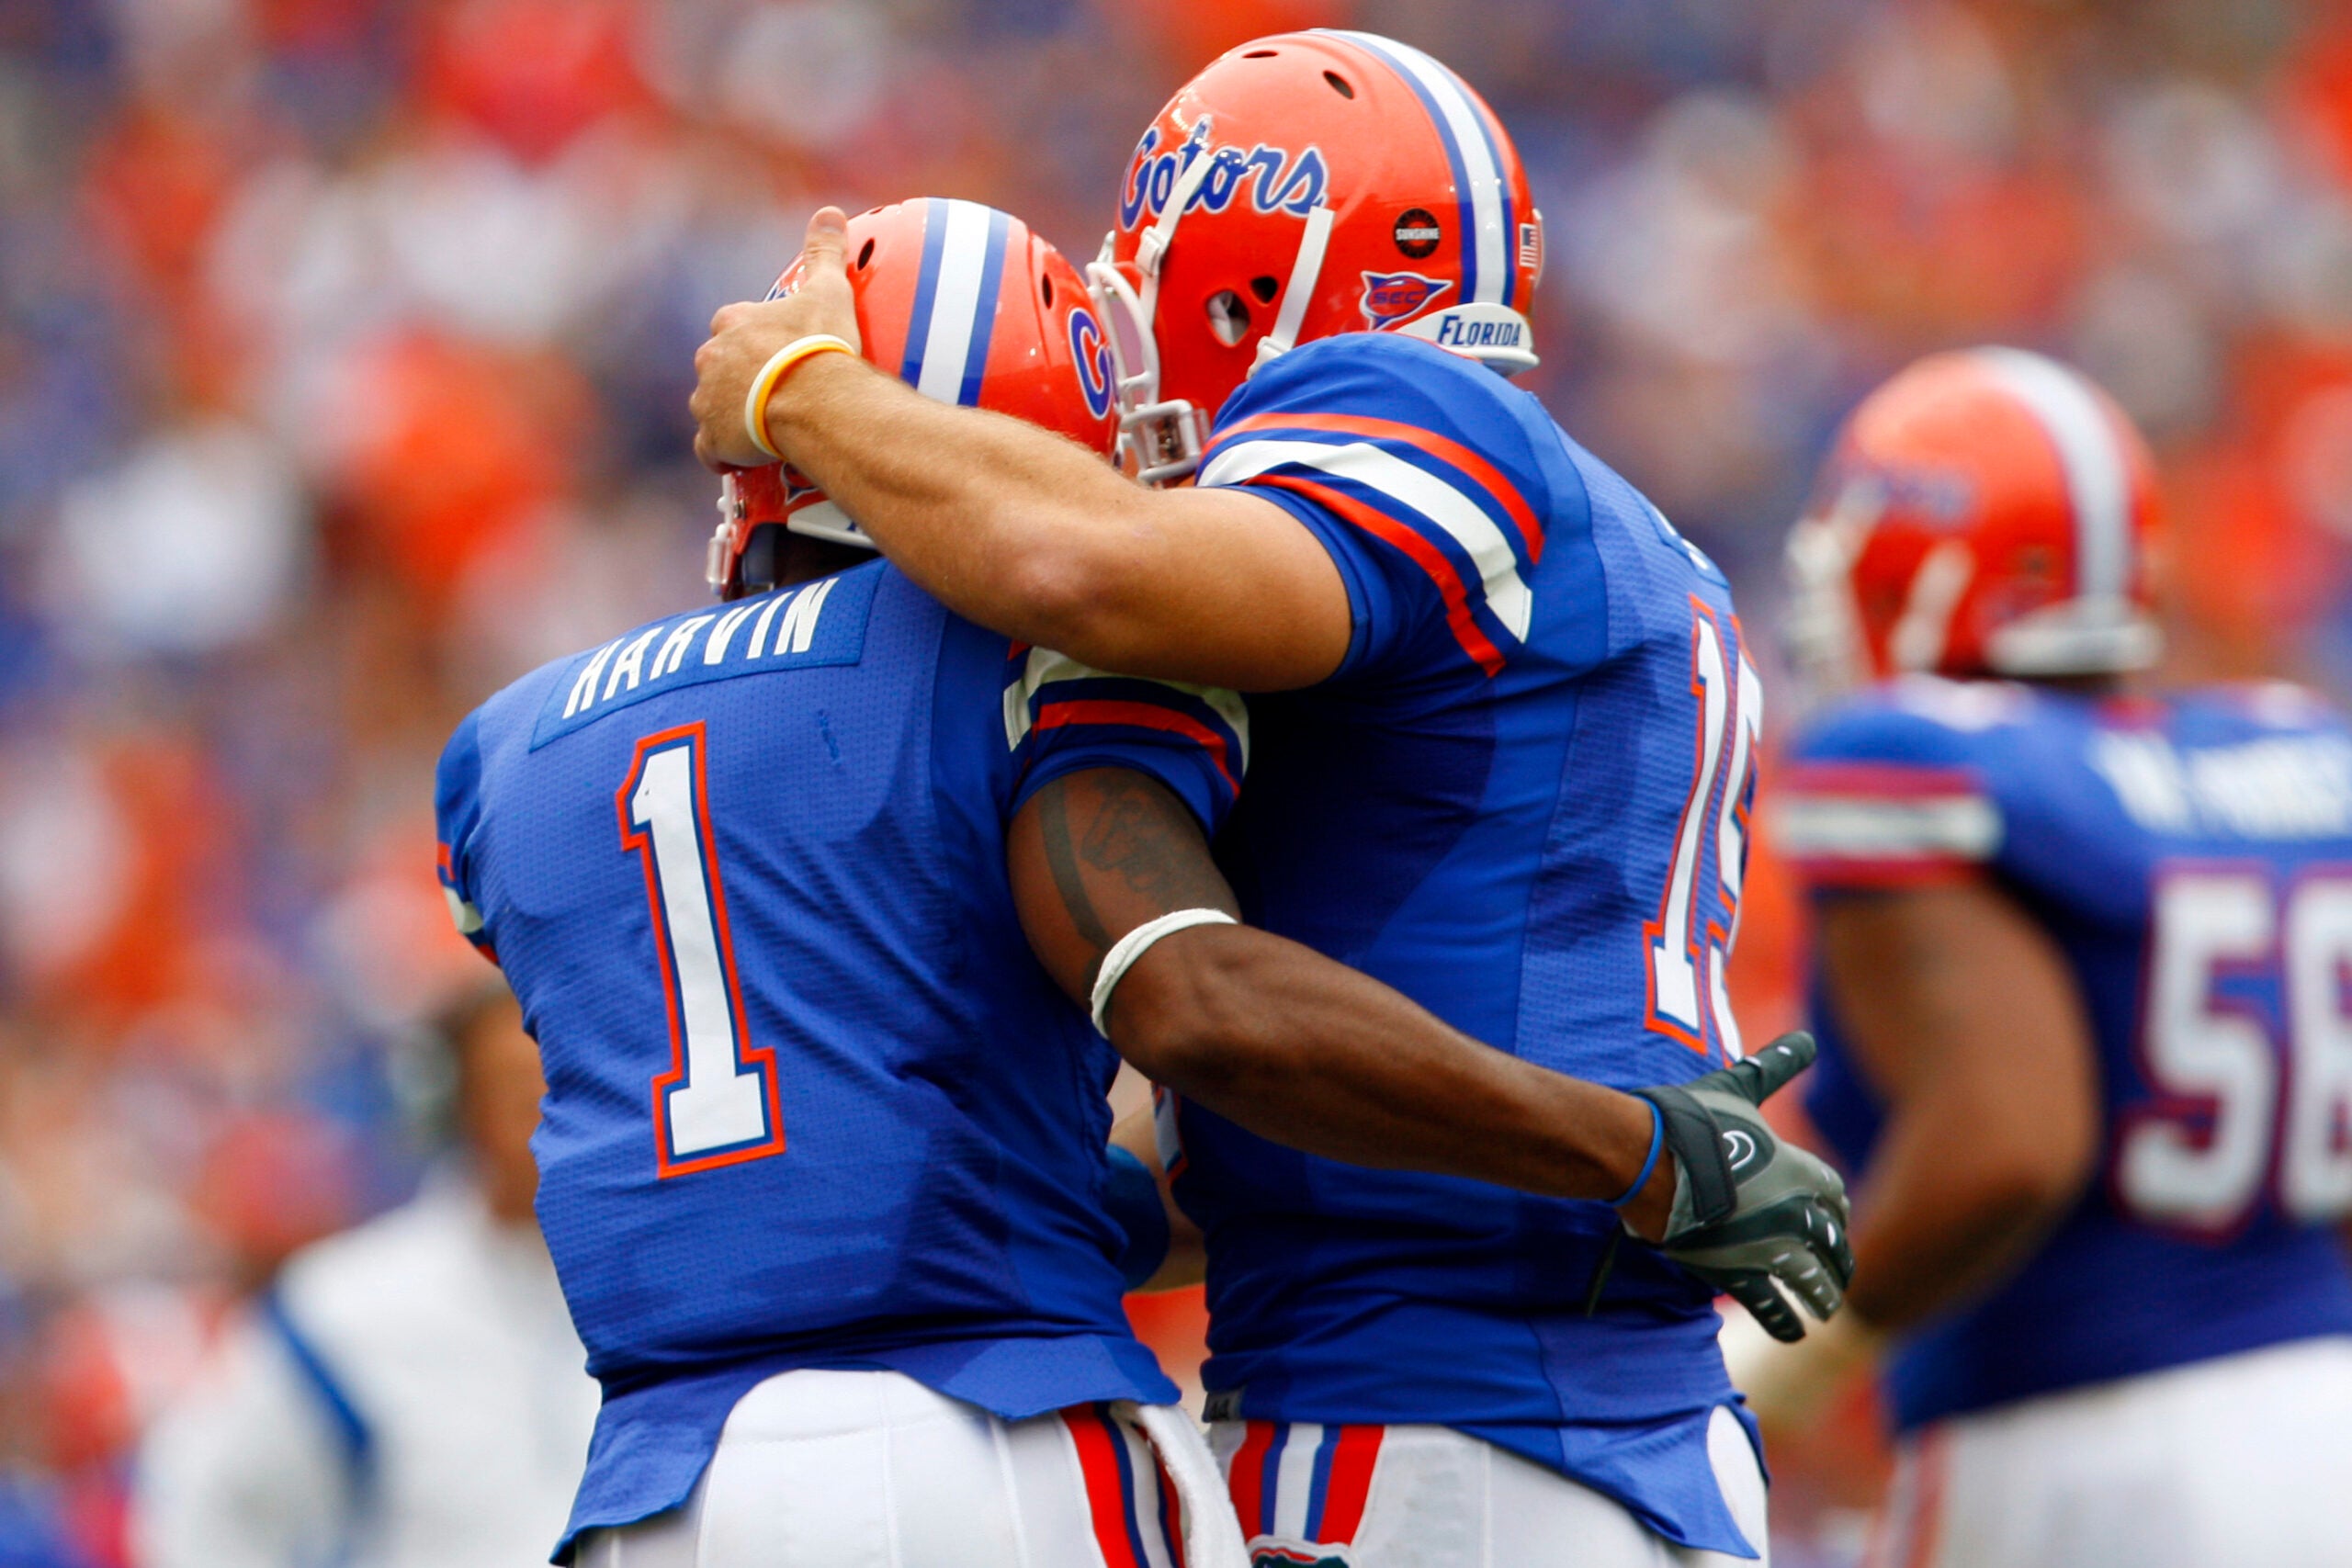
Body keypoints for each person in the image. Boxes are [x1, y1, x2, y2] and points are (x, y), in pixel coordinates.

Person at [448, 197, 1841, 1568]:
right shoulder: (1024, 654)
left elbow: (828, 1126)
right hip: (1010, 1430)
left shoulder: (504, 753)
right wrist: (1630, 1147)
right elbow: (1178, 988)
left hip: (656, 1483)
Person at [1755, 347, 2352, 1567]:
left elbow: (2007, 1146)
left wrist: (1782, 1357)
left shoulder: (1912, 757)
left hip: (2068, 1439)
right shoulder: (2291, 751)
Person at [132, 983, 599, 1568]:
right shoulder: (344, 1308)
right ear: (455, 1107)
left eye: (567, 1088)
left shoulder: (680, 1287)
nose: (545, 1116)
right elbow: (201, 1496)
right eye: (513, 1090)